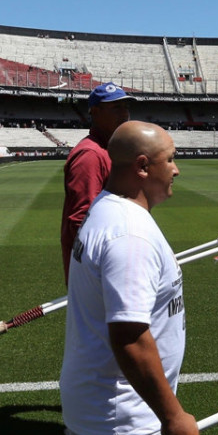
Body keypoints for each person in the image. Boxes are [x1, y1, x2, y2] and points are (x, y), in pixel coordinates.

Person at [60, 121, 195, 435]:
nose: (176, 168)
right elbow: (130, 338)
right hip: (125, 418)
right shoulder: (130, 236)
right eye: (170, 159)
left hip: (120, 405)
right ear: (142, 166)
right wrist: (173, 415)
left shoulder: (110, 210)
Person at [60, 82, 134, 284]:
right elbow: (82, 220)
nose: (124, 114)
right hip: (96, 273)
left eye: (126, 107)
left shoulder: (107, 149)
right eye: (116, 107)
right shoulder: (90, 155)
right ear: (95, 112)